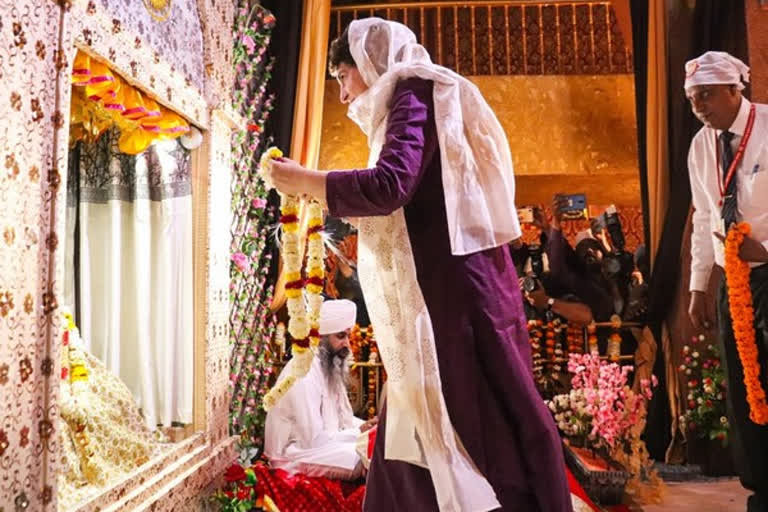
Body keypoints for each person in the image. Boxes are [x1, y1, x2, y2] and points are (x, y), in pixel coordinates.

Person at [266, 17, 572, 512]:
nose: (343, 96)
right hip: (446, 284)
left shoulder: (413, 92)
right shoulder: (409, 98)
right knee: (415, 415)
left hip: (451, 290)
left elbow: (391, 186)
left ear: (369, 64)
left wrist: (308, 181)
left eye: (343, 78)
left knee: (472, 414)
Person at [684, 51, 768, 512]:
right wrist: (699, 285)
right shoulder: (701, 144)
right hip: (732, 283)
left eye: (707, 95)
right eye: (693, 98)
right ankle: (760, 486)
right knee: (741, 386)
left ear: (736, 90)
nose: (699, 106)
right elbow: (703, 218)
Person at [264, 299, 377, 480]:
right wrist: (359, 433)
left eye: (348, 336)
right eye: (340, 337)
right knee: (363, 459)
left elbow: (343, 419)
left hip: (320, 446)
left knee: (374, 449)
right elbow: (312, 439)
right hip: (293, 453)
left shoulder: (330, 366)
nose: (347, 344)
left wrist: (365, 427)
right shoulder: (304, 374)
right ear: (322, 339)